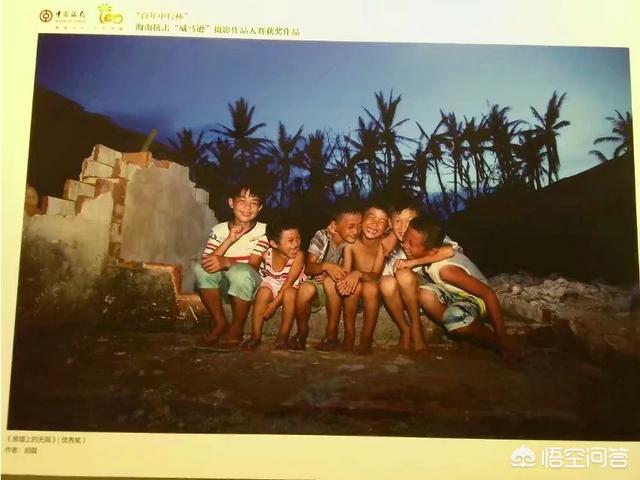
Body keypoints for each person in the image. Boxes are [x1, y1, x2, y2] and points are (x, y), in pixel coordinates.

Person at [398, 215, 521, 359]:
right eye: (405, 238)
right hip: (454, 294)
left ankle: (499, 344)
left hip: (477, 299)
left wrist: (502, 336)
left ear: (432, 251)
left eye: (411, 244)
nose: (404, 244)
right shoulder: (431, 253)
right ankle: (463, 336)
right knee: (426, 295)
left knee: (455, 318)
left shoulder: (447, 271)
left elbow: (488, 293)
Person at [193, 184, 268, 348]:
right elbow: (208, 261)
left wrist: (226, 261)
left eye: (254, 203)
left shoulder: (264, 231)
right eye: (242, 201)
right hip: (225, 287)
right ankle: (220, 323)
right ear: (231, 203)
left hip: (252, 287)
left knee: (240, 272)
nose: (247, 208)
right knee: (201, 269)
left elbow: (253, 266)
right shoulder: (219, 229)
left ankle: (237, 328)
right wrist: (229, 240)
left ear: (260, 208)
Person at [379, 199, 456, 350]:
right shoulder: (388, 242)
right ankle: (405, 329)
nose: (403, 227)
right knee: (386, 282)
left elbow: (451, 250)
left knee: (403, 273)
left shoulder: (425, 233)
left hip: (428, 292)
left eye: (409, 221)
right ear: (390, 223)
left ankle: (416, 328)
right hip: (402, 296)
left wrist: (413, 262)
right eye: (398, 221)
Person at [290, 200, 362, 351]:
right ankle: (302, 332)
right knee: (305, 289)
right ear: (334, 225)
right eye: (351, 227)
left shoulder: (353, 243)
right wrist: (326, 267)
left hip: (339, 289)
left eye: (359, 226)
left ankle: (332, 335)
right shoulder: (322, 236)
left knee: (330, 282)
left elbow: (348, 272)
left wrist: (331, 275)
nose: (356, 231)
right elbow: (309, 268)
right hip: (317, 285)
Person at [335, 201, 388, 354]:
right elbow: (346, 271)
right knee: (354, 286)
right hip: (354, 292)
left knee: (370, 287)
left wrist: (357, 273)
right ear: (362, 219)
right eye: (371, 218)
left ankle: (366, 338)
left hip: (373, 294)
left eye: (381, 221)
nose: (374, 224)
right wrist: (342, 283)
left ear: (387, 228)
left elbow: (375, 275)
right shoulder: (351, 244)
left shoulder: (383, 245)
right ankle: (349, 334)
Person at [245, 217, 306, 350]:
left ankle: (282, 337)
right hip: (273, 282)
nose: (296, 244)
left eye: (298, 238)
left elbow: (289, 283)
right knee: (263, 292)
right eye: (290, 240)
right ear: (274, 243)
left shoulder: (299, 256)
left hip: (291, 286)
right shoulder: (267, 255)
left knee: (290, 294)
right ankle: (255, 336)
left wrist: (273, 305)